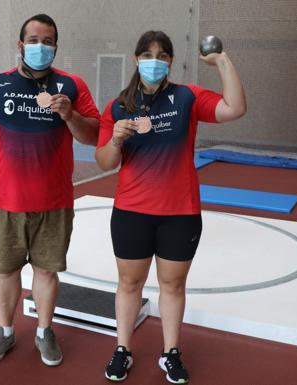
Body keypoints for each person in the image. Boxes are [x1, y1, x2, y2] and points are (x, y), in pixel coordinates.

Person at [0, 14, 100, 367]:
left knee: (46, 271)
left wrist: (70, 115)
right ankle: (5, 331)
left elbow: (94, 136)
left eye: (47, 41)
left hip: (54, 201)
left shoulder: (72, 86)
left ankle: (44, 331)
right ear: (20, 45)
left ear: (56, 47)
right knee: (6, 271)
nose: (40, 47)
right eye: (33, 40)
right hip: (4, 201)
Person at [95, 30, 246, 383]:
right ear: (136, 60)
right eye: (148, 55)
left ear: (170, 62)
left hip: (180, 212)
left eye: (162, 55)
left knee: (173, 285)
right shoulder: (118, 106)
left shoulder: (186, 97)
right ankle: (123, 349)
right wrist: (116, 139)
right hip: (132, 211)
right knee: (129, 283)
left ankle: (170, 353)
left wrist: (221, 60)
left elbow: (235, 108)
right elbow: (104, 162)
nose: (155, 61)